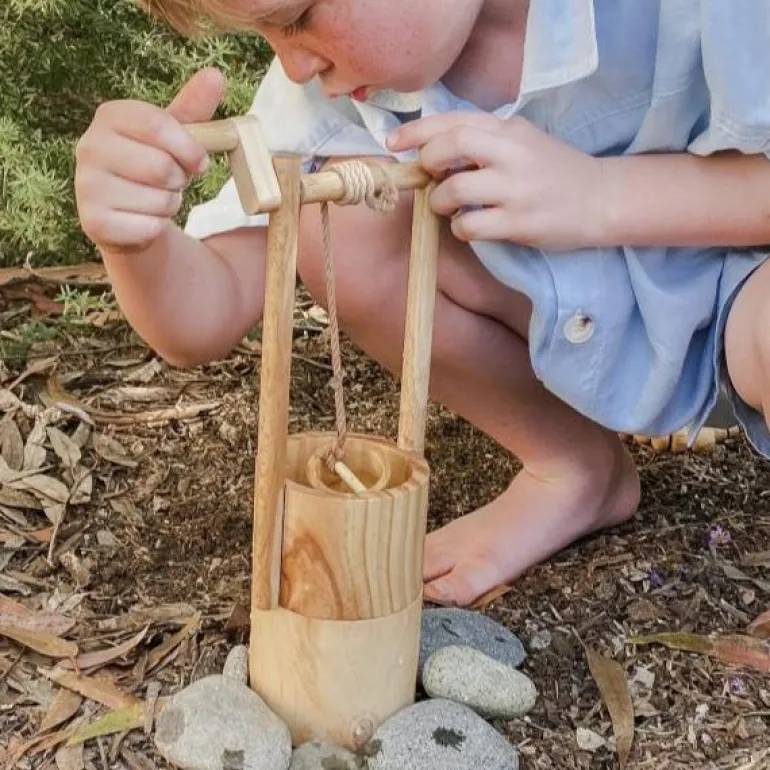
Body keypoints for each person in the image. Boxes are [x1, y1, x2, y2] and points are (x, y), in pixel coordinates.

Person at [74, 0, 770, 608]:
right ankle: (574, 469)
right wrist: (133, 239)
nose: (290, 67)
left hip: (749, 297)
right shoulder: (328, 101)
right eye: (269, 35)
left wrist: (597, 198)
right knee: (347, 218)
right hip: (611, 328)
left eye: (299, 18)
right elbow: (202, 319)